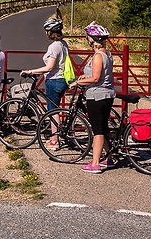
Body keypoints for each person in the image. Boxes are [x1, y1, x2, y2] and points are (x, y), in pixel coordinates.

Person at [69, 22, 115, 173]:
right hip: (107, 94)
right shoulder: (107, 54)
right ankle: (109, 157)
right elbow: (101, 74)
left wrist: (78, 82)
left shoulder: (97, 56)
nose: (87, 39)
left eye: (88, 36)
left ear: (93, 39)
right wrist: (85, 76)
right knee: (103, 127)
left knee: (98, 131)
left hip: (97, 96)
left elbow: (95, 79)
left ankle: (95, 163)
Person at [21, 17, 70, 147]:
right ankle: (57, 136)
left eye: (47, 31)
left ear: (50, 32)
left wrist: (30, 71)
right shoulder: (64, 44)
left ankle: (55, 140)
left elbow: (49, 67)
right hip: (62, 79)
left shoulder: (54, 46)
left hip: (54, 80)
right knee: (55, 109)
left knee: (52, 111)